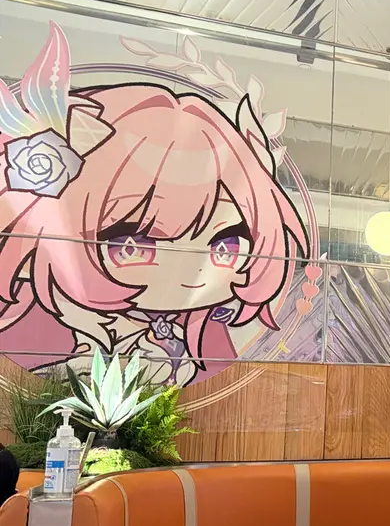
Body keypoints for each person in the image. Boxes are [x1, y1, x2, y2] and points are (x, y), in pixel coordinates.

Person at [0, 23, 309, 386]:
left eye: (225, 247)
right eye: (133, 246)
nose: (188, 274)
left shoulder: (204, 334)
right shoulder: (31, 323)